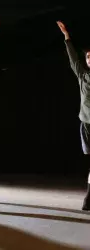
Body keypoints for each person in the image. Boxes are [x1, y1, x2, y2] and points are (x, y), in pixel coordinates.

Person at [57, 21, 90, 211]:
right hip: (86, 123)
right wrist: (66, 36)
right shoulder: (82, 75)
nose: (89, 59)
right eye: (88, 57)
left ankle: (88, 197)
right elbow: (73, 59)